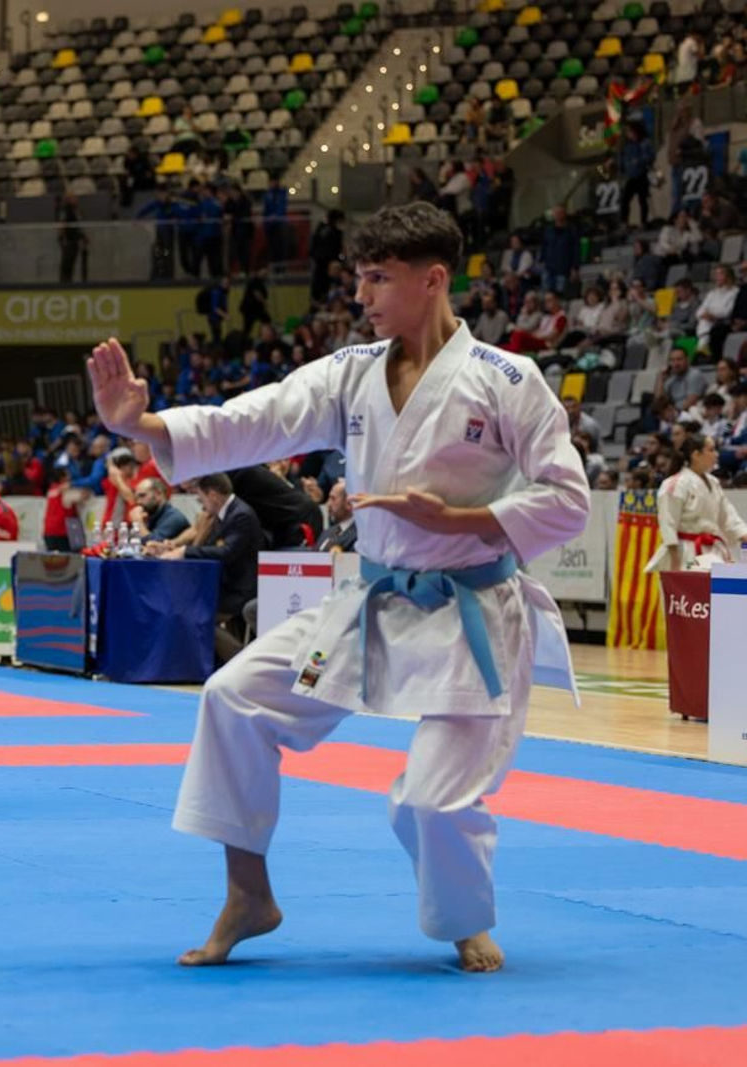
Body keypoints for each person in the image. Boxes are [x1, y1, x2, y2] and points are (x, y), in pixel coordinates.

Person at [87, 200, 590, 973]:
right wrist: (146, 428)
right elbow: (250, 422)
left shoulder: (505, 378)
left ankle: (463, 921)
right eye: (358, 279)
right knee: (233, 696)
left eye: (379, 279)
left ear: (433, 280)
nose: (362, 296)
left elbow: (567, 498)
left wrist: (464, 516)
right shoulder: (350, 373)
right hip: (375, 605)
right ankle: (249, 893)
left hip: (472, 615)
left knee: (430, 800)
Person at [146, 473, 260, 662]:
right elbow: (209, 547)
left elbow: (226, 553)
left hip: (240, 589)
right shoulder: (225, 514)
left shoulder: (241, 515)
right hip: (225, 584)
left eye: (201, 498)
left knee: (194, 616)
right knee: (187, 608)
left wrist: (185, 552)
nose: (201, 504)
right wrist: (172, 547)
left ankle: (241, 661)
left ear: (213, 495)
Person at [644, 436, 747, 572]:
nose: (716, 454)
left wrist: (744, 535)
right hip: (686, 551)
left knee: (717, 591)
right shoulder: (675, 484)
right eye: (711, 450)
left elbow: (729, 517)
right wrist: (675, 561)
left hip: (713, 552)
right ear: (696, 455)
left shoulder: (713, 483)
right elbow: (668, 524)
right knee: (689, 592)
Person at [130, 477, 190, 542]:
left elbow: (152, 546)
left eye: (142, 495)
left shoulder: (174, 518)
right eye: (137, 498)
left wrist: (138, 522)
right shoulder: (151, 515)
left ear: (159, 494)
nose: (138, 502)